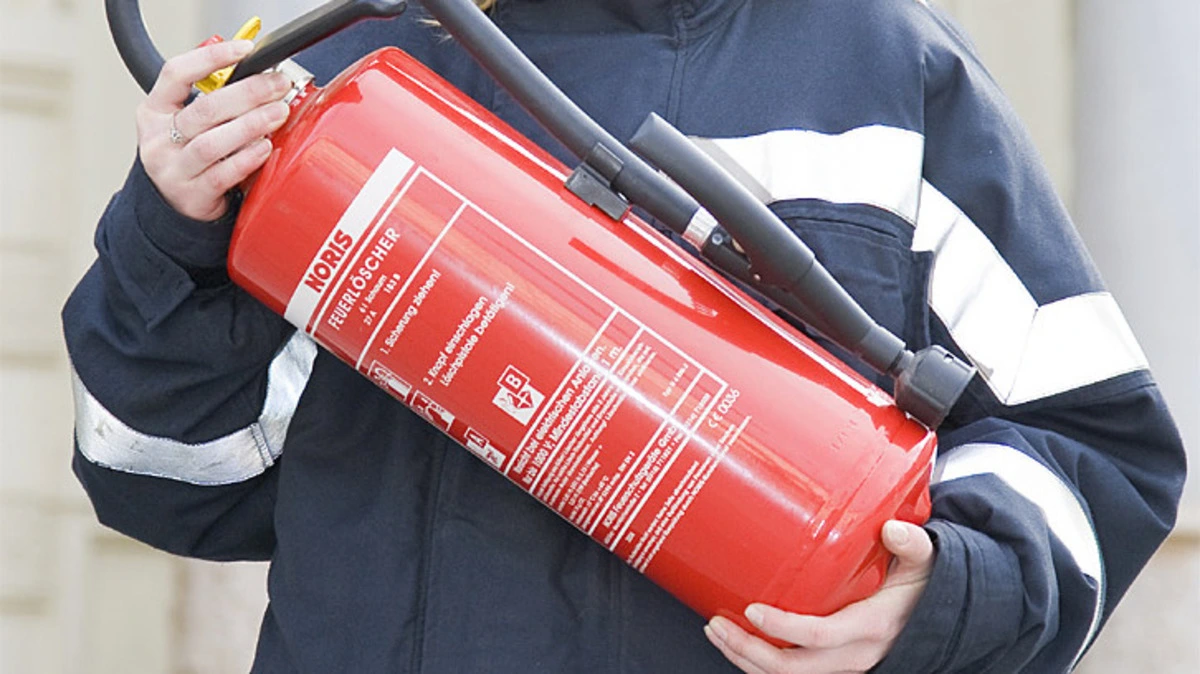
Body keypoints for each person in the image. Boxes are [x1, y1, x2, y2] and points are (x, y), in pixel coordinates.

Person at [63, 1, 1186, 672]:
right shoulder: (362, 82)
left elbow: (1095, 448)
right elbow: (168, 482)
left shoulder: (879, 70)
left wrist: (942, 598)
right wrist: (171, 241)